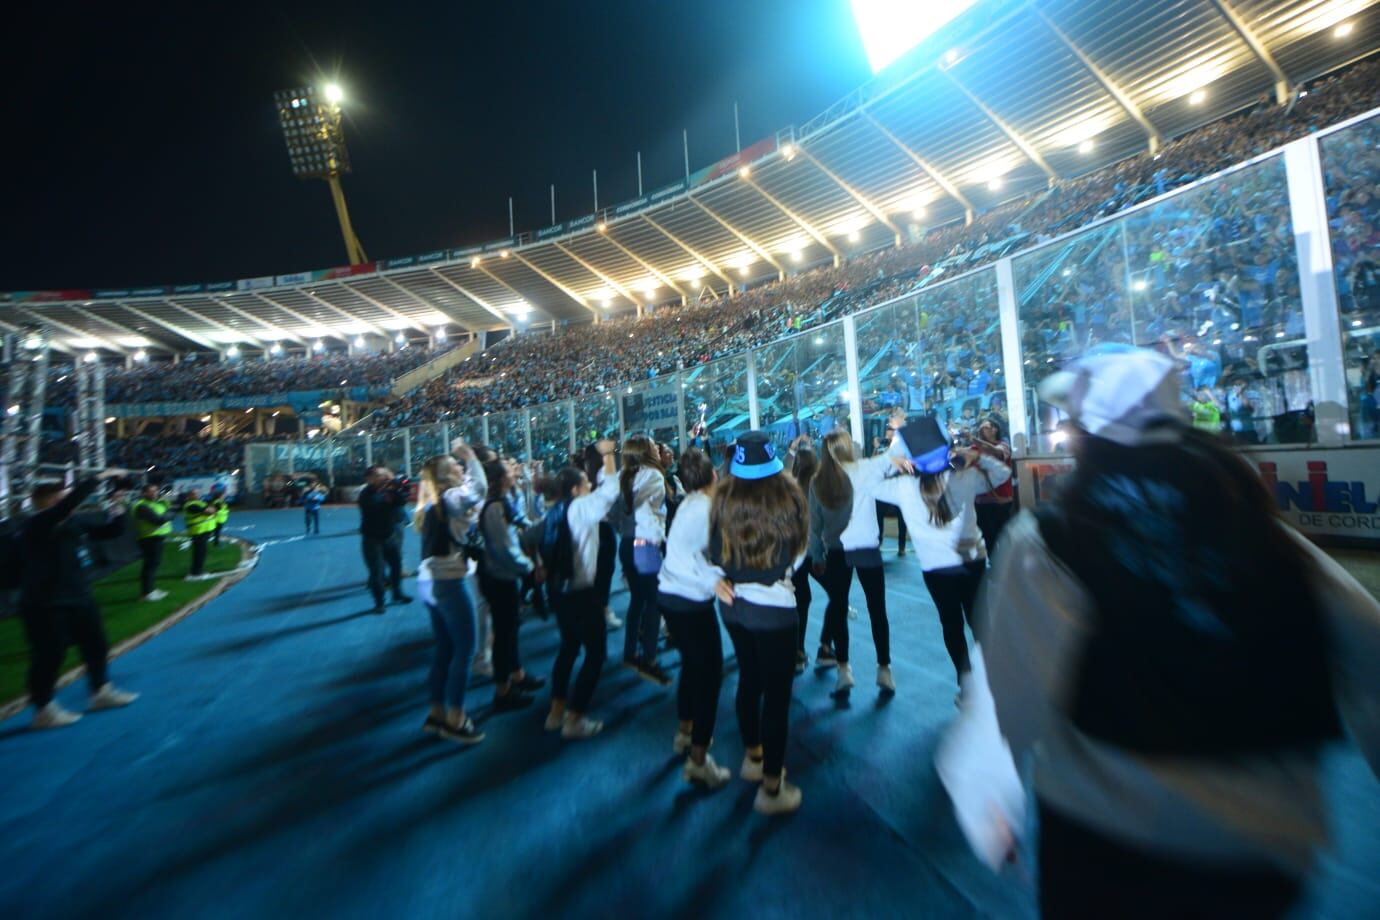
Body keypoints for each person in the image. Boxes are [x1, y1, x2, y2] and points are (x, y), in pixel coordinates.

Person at [980, 347, 1380, 916]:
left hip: (1105, 839)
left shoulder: (1048, 539)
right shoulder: (1265, 535)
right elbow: (1368, 655)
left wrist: (991, 800)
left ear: (1086, 430)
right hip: (1264, 848)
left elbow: (1016, 696)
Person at [862, 418, 1011, 698]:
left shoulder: (904, 488)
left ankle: (965, 683)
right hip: (973, 561)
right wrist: (974, 455)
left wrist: (892, 457)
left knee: (950, 623)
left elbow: (865, 481)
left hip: (936, 569)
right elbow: (1002, 474)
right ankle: (994, 680)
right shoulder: (964, 477)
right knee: (981, 622)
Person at [710, 431, 809, 814]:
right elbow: (797, 556)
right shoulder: (790, 499)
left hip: (734, 606)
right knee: (777, 696)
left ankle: (752, 757)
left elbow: (712, 552)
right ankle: (772, 786)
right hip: (774, 609)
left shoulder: (720, 501)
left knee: (749, 679)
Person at [19, 473, 139, 729]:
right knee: (50, 654)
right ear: (48, 501)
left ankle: (100, 691)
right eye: (60, 497)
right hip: (45, 602)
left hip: (79, 595)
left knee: (96, 645)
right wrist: (101, 476)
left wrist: (118, 505)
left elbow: (111, 530)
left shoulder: (73, 522)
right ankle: (43, 709)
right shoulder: (37, 524)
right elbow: (67, 505)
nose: (67, 502)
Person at [656, 448, 732, 787]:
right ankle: (699, 759)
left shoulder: (688, 504)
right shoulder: (704, 508)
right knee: (711, 674)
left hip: (671, 597)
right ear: (713, 477)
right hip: (689, 600)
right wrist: (714, 579)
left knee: (691, 666)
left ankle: (685, 733)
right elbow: (696, 558)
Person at [542, 441, 620, 740]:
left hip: (559, 592)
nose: (590, 484)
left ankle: (557, 711)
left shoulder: (555, 512)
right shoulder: (583, 508)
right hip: (580, 593)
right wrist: (609, 454)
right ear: (576, 489)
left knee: (568, 648)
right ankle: (575, 718)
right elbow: (610, 490)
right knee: (596, 653)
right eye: (586, 483)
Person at [807, 430, 895, 696]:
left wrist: (817, 555)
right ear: (847, 447)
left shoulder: (817, 481)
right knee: (877, 609)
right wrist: (898, 428)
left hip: (836, 551)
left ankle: (844, 668)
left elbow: (814, 524)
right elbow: (894, 458)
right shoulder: (864, 469)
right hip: (867, 548)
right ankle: (884, 669)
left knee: (838, 608)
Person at [414, 448, 487, 745]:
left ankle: (436, 713)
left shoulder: (434, 501)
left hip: (428, 579)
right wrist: (472, 457)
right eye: (454, 465)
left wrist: (468, 467)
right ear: (446, 477)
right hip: (448, 580)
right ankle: (456, 718)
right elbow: (478, 488)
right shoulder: (452, 498)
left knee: (445, 648)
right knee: (465, 649)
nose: (459, 466)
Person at [479, 459, 545, 710]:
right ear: (497, 478)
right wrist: (530, 569)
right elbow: (505, 549)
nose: (514, 473)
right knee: (504, 633)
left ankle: (516, 674)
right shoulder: (495, 508)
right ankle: (502, 691)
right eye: (509, 471)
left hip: (504, 575)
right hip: (498, 577)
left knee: (511, 628)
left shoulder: (503, 503)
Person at [617, 434, 671, 685]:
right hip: (646, 545)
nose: (657, 448)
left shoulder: (624, 477)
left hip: (627, 544)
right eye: (653, 445)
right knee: (654, 602)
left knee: (637, 600)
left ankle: (630, 652)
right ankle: (649, 658)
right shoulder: (653, 476)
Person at [358, 465, 412, 614]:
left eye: (383, 475)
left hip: (389, 536)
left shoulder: (389, 491)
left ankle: (397, 593)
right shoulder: (366, 494)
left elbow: (401, 501)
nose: (382, 478)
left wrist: (396, 485)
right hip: (372, 539)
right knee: (377, 571)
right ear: (369, 479)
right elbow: (377, 505)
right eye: (378, 475)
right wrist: (390, 490)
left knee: (396, 567)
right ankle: (379, 602)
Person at [970, 416, 1014, 558]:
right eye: (981, 427)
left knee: (1003, 534)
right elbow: (956, 463)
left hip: (1001, 500)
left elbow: (996, 453)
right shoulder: (973, 449)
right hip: (980, 501)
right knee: (987, 536)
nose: (983, 429)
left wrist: (973, 439)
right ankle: (994, 564)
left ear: (995, 429)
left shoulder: (1003, 445)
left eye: (987, 427)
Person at [131, 482, 174, 602]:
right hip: (148, 538)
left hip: (157, 538)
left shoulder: (157, 504)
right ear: (144, 493)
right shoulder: (141, 506)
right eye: (152, 491)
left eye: (156, 490)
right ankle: (146, 593)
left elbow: (171, 513)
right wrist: (168, 514)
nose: (155, 493)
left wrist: (168, 514)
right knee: (149, 565)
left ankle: (151, 590)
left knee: (154, 564)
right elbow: (158, 520)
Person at [181, 488, 217, 579]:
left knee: (202, 552)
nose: (196, 495)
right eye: (194, 494)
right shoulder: (191, 505)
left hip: (204, 531)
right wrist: (210, 510)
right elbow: (209, 511)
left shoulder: (200, 503)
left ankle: (198, 570)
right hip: (198, 531)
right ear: (189, 496)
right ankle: (196, 572)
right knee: (199, 552)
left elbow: (213, 510)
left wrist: (211, 510)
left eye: (197, 493)